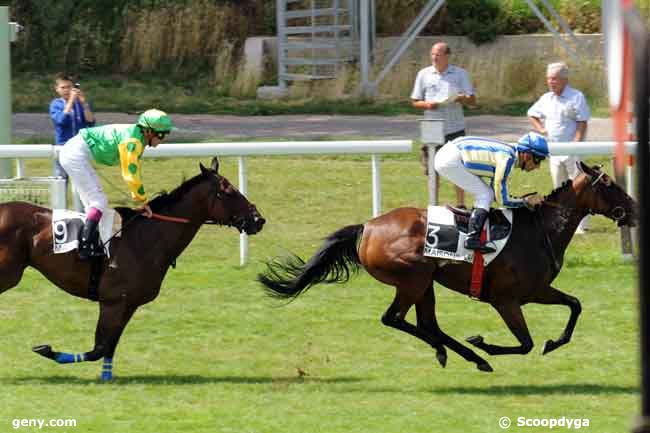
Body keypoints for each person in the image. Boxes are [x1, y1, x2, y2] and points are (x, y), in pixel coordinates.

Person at [59, 109, 175, 259]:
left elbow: (134, 170)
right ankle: (85, 247)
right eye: (162, 134)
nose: (163, 138)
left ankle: (91, 243)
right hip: (74, 155)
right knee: (98, 201)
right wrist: (142, 200)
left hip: (75, 153)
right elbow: (130, 174)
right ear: (148, 132)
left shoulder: (137, 138)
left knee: (94, 202)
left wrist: (140, 198)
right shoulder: (132, 142)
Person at [434, 132, 549, 253]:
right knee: (485, 194)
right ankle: (472, 239)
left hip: (450, 154)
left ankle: (473, 234)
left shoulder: (508, 154)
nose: (538, 167)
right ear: (526, 155)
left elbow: (497, 194)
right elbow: (502, 200)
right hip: (450, 159)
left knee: (487, 193)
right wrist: (525, 201)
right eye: (538, 160)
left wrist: (521, 200)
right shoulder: (507, 160)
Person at [527, 62, 591, 233]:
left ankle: (581, 226)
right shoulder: (546, 98)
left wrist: (576, 145)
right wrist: (541, 129)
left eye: (554, 78)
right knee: (559, 188)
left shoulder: (576, 96)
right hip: (553, 151)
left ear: (564, 79)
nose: (550, 82)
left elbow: (582, 121)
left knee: (579, 188)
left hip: (572, 150)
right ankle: (563, 222)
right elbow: (531, 114)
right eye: (548, 78)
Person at [411, 41, 476, 207]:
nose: (434, 57)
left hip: (454, 127)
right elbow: (415, 101)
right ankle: (433, 205)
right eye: (432, 54)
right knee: (432, 169)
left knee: (458, 166)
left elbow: (472, 101)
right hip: (431, 128)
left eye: (438, 54)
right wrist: (427, 104)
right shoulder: (423, 74)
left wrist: (461, 98)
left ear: (447, 56)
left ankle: (461, 205)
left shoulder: (460, 74)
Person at [49, 73, 96, 178]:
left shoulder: (81, 104)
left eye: (69, 87)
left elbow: (90, 122)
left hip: (80, 146)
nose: (66, 90)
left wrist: (84, 103)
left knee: (82, 179)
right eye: (63, 87)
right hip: (62, 146)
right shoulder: (55, 104)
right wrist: (70, 101)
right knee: (61, 178)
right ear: (57, 89)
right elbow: (61, 120)